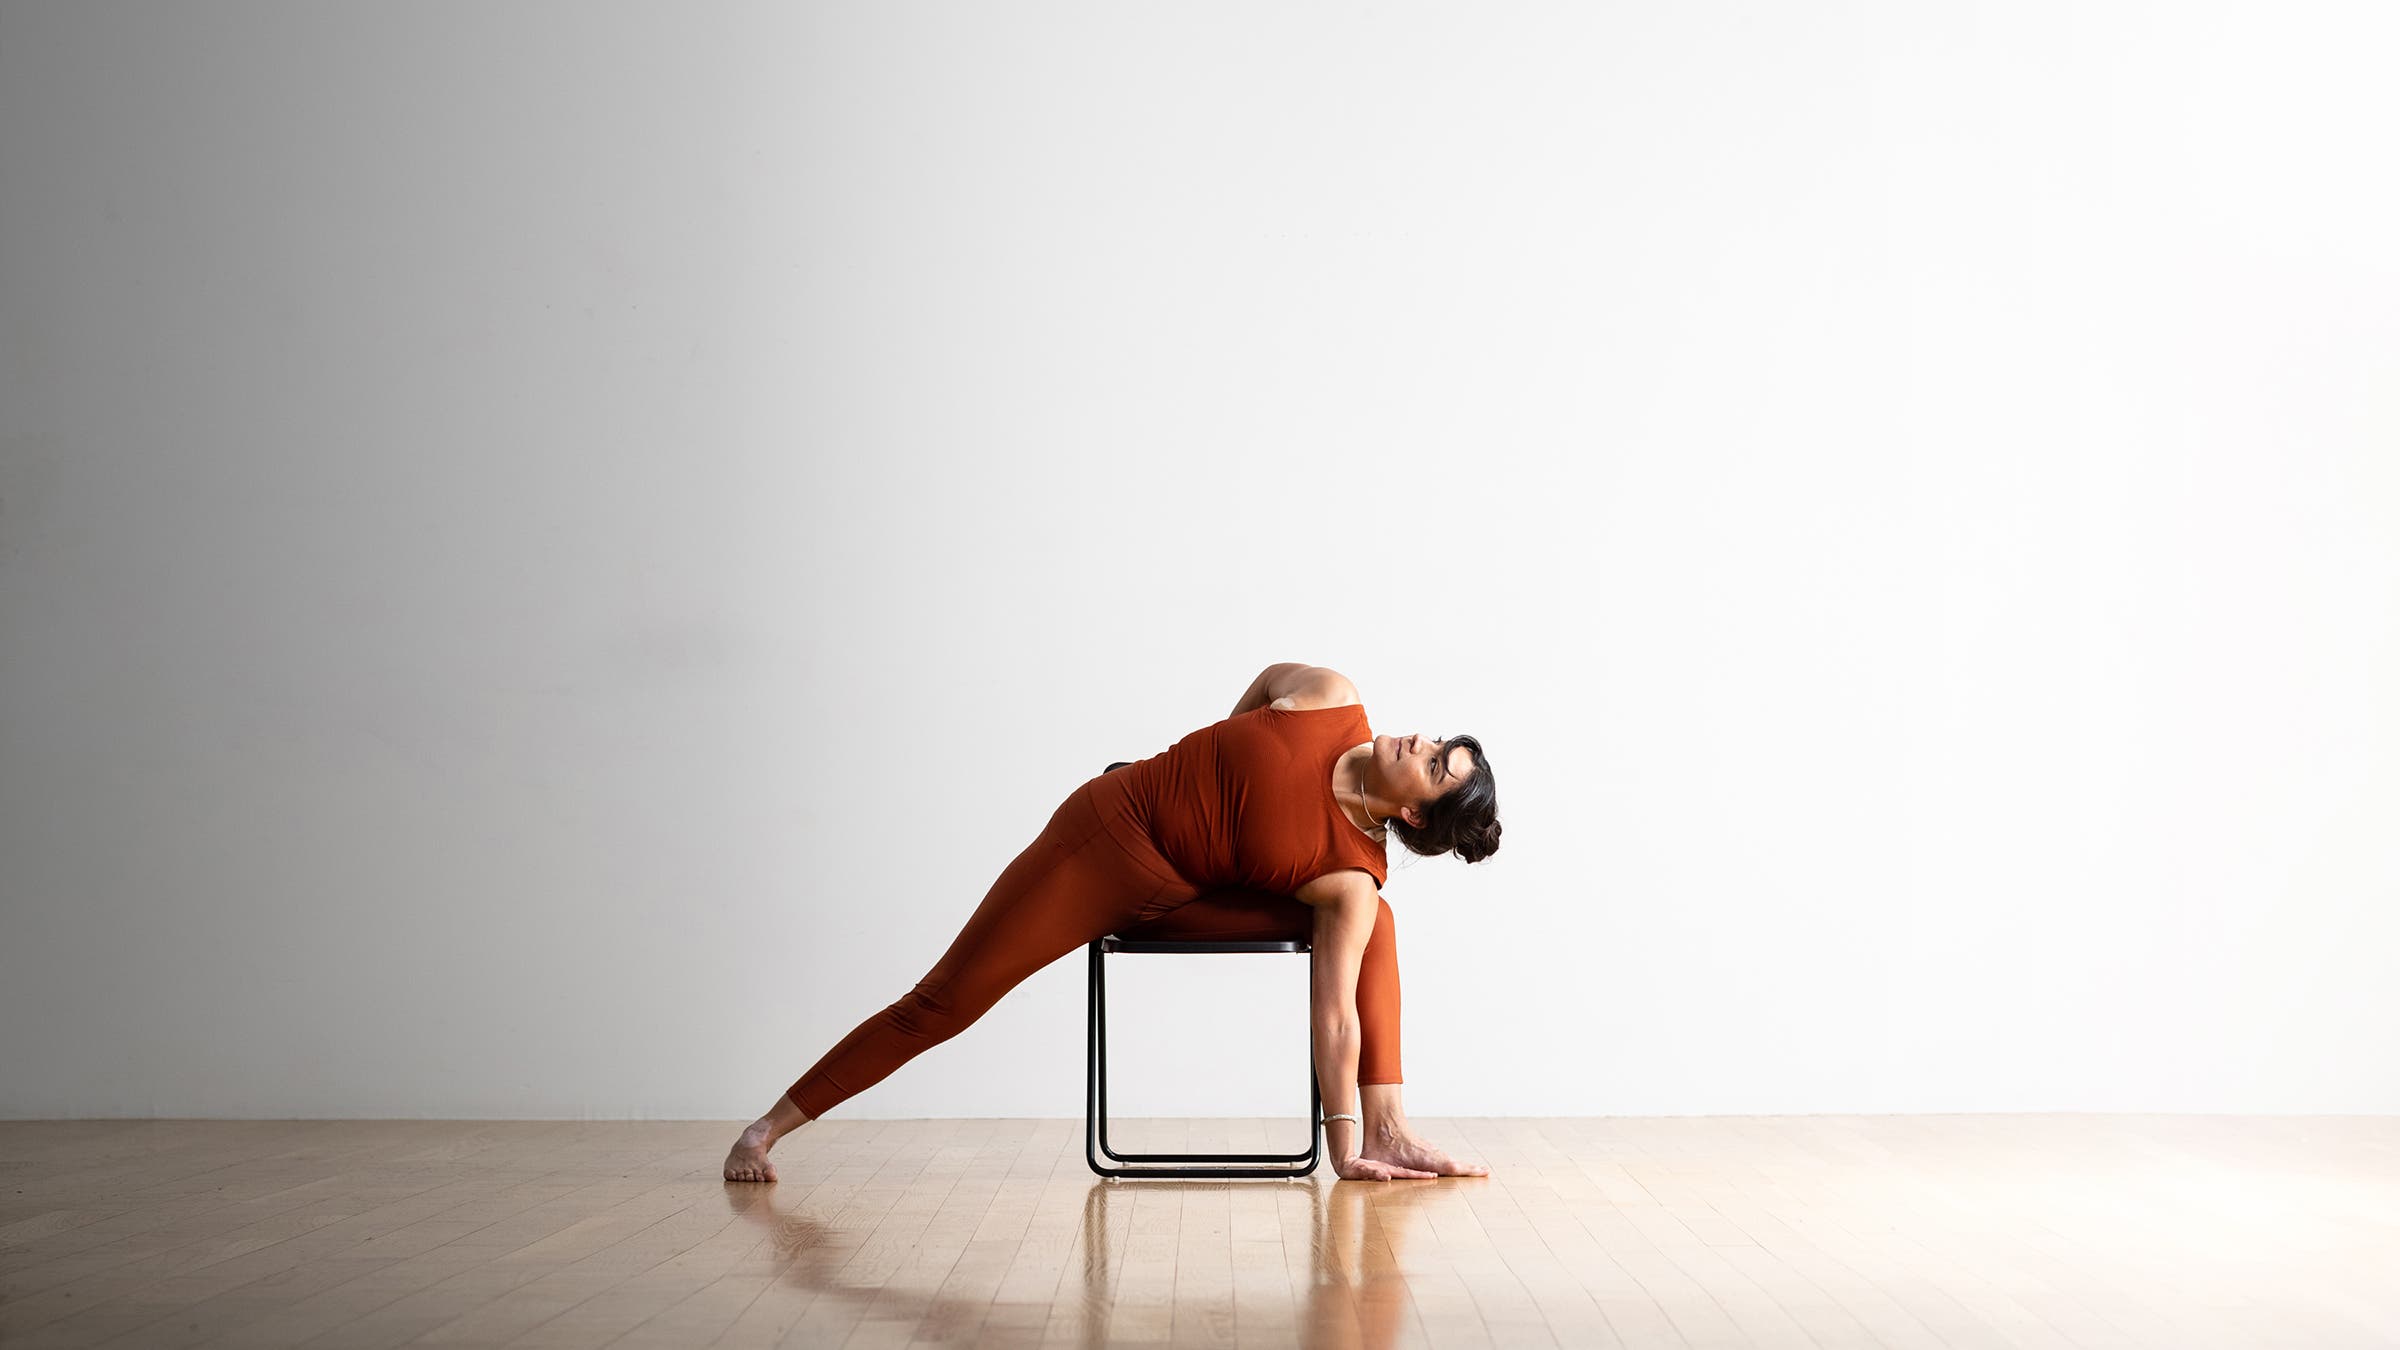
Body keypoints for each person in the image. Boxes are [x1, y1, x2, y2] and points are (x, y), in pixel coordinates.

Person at [723, 663, 1502, 1182]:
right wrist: (1206, 766)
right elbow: (1266, 683)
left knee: (1375, 922)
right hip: (1105, 842)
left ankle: (1381, 1130)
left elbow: (1335, 1016)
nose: (1420, 742)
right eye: (1438, 743)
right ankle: (767, 1127)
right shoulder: (1332, 696)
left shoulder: (1349, 875)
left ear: (1410, 812)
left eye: (1434, 765)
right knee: (946, 1001)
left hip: (1184, 894)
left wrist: (1337, 1146)